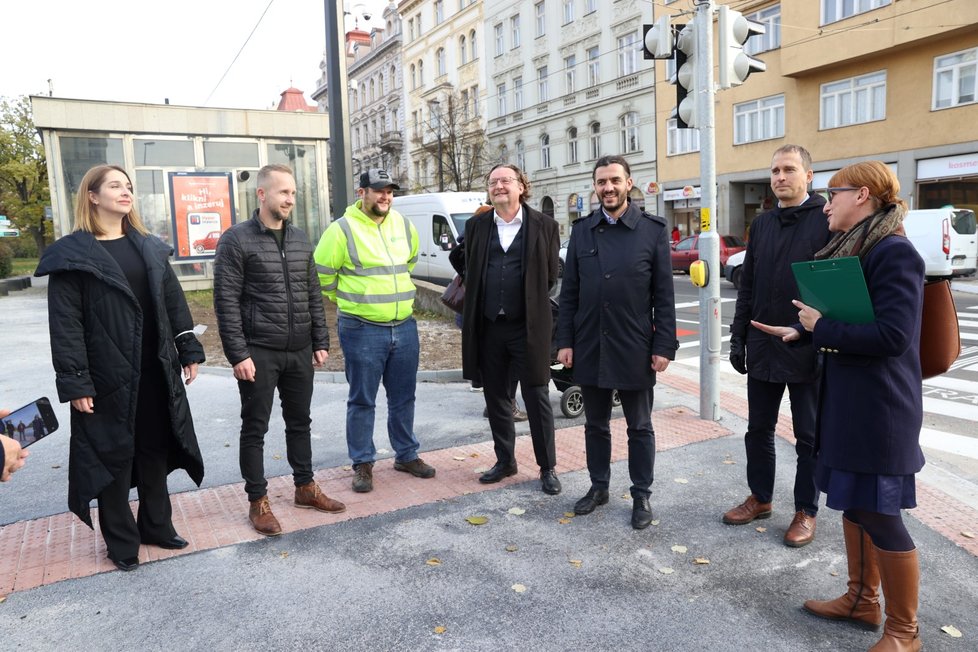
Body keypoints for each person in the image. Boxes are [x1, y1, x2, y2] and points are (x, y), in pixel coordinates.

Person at [754, 161, 925, 650]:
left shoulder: (893, 253)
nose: (826, 205)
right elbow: (849, 326)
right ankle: (861, 600)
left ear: (864, 196)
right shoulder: (863, 247)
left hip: (880, 410)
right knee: (854, 505)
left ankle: (904, 632)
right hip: (852, 402)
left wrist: (818, 327)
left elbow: (893, 337)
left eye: (835, 194)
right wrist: (800, 332)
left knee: (881, 513)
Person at [35, 165, 206, 572]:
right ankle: (121, 540)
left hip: (155, 368)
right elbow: (66, 325)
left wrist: (188, 348)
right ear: (92, 196)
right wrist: (76, 382)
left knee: (153, 447)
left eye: (128, 186)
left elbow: (173, 303)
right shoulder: (73, 255)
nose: (125, 192)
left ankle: (157, 526)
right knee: (112, 454)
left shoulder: (148, 246)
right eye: (115, 186)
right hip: (106, 375)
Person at [213, 164, 344, 537]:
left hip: (299, 350)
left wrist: (320, 340)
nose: (290, 199)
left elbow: (313, 294)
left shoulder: (301, 239)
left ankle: (305, 487)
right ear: (262, 194)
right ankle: (258, 500)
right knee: (255, 428)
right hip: (259, 351)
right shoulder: (236, 240)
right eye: (284, 192)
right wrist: (238, 354)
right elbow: (226, 301)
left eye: (293, 193)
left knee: (300, 422)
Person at [556, 155, 678, 529]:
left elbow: (664, 295)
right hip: (590, 343)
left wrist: (663, 347)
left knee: (639, 426)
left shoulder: (652, 230)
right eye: (601, 182)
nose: (607, 187)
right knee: (595, 425)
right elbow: (570, 292)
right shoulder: (582, 231)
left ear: (628, 183)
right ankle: (599, 487)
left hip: (634, 346)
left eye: (614, 180)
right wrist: (565, 341)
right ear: (595, 187)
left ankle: (641, 494)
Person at [722, 144, 831, 548]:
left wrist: (813, 333)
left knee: (808, 436)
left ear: (808, 175)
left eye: (788, 170)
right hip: (763, 345)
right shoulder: (762, 224)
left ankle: (806, 510)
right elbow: (747, 284)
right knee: (758, 430)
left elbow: (831, 288)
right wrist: (737, 337)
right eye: (774, 171)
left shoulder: (825, 221)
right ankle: (761, 498)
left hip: (807, 346)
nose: (780, 177)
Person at [314, 168, 436, 493]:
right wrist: (350, 301)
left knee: (403, 397)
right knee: (362, 400)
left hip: (404, 326)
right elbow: (322, 276)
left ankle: (406, 454)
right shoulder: (341, 230)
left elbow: (408, 263)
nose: (385, 197)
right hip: (362, 329)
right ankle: (363, 463)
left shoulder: (403, 225)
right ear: (362, 192)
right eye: (379, 190)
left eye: (390, 191)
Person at [449, 164, 561, 495]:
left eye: (506, 181)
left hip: (528, 327)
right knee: (496, 396)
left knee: (537, 395)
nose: (499, 186)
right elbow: (462, 260)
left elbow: (552, 274)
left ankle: (547, 467)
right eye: (494, 182)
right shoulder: (477, 226)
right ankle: (505, 460)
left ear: (521, 187)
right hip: (489, 327)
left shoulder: (545, 226)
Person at [1, 409, 29, 482]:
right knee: (12, 438)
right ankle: (12, 443)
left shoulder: (20, 424)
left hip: (17, 432)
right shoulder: (13, 425)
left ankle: (13, 442)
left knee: (17, 437)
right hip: (14, 432)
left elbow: (15, 427)